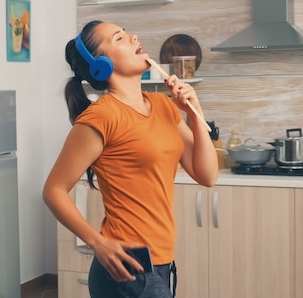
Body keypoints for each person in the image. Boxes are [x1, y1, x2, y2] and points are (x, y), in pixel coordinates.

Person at [42, 20, 218, 298]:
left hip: (162, 260)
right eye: (120, 37)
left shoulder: (162, 105)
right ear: (102, 64)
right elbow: (54, 190)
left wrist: (194, 112)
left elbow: (207, 176)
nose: (134, 36)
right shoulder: (101, 117)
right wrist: (97, 243)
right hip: (127, 263)